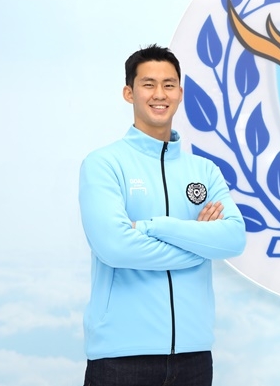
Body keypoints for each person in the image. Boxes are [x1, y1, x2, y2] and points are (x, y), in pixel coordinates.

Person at [79, 44, 246, 386]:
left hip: (194, 357)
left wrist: (154, 227)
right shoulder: (104, 164)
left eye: (169, 85)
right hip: (120, 359)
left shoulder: (204, 170)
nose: (160, 94)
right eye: (148, 84)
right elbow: (115, 247)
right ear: (129, 93)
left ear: (180, 93)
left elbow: (233, 239)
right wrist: (199, 246)